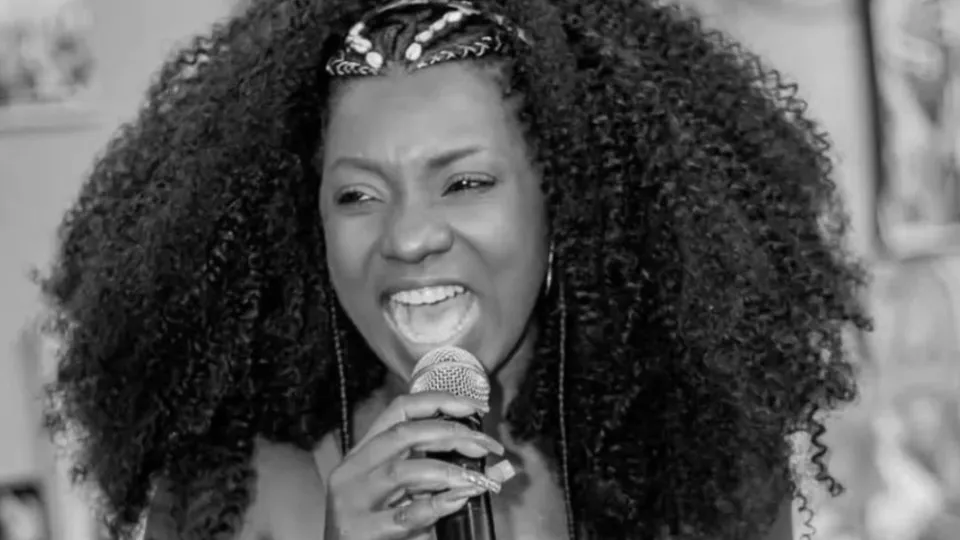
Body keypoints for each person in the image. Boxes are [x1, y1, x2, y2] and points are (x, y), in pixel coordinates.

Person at [37, 0, 871, 539]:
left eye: (465, 183)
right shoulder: (226, 495)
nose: (407, 238)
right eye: (358, 195)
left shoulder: (704, 474)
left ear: (566, 201)